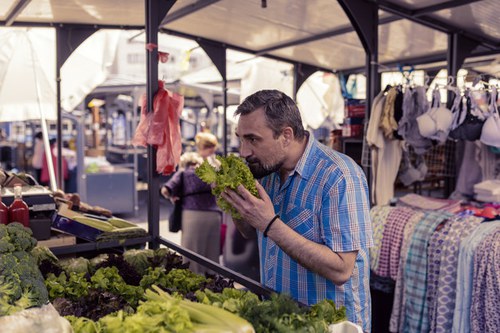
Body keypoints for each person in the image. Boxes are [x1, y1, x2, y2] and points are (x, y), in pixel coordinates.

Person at [220, 90, 373, 332]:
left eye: (253, 139)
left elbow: (342, 269)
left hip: (329, 324)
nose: (243, 152)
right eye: (241, 139)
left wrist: (271, 224)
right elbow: (251, 231)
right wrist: (235, 203)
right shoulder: (267, 171)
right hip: (280, 317)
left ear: (286, 135)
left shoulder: (339, 176)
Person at [162, 132, 222, 275]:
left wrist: (173, 198)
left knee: (191, 256)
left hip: (192, 215)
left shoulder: (185, 171)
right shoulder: (216, 168)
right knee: (212, 256)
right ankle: (214, 286)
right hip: (214, 216)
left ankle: (195, 289)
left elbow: (166, 190)